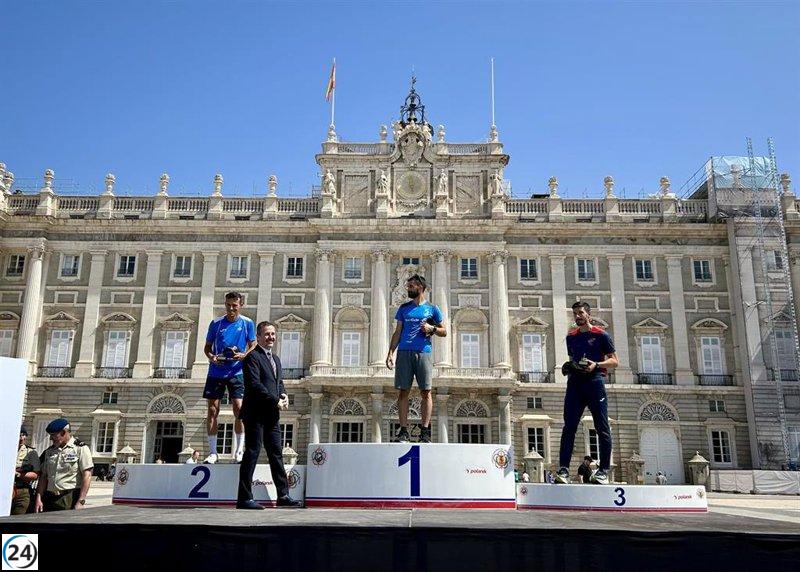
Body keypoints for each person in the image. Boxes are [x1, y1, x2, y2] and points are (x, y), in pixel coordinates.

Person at [236, 321, 300, 509]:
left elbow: (278, 382)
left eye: (273, 334)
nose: (271, 337)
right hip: (255, 413)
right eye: (267, 334)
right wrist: (274, 400)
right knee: (252, 453)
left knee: (276, 454)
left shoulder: (276, 359)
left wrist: (284, 394)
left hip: (271, 415)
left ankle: (283, 495)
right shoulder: (251, 357)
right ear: (258, 337)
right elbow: (255, 385)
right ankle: (244, 498)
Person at [554, 302, 618, 485]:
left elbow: (614, 361)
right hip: (575, 384)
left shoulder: (601, 335)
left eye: (580, 313)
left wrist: (596, 364)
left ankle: (603, 470)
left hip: (595, 382)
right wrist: (570, 367)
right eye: (575, 313)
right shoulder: (571, 337)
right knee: (569, 427)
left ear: (588, 315)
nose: (577, 316)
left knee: (602, 427)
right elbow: (574, 358)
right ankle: (564, 470)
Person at [386, 275, 446, 443]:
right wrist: (391, 352)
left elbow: (444, 331)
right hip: (404, 352)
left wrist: (431, 328)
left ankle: (425, 431)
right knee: (403, 391)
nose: (408, 288)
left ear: (420, 287)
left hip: (423, 352)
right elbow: (397, 332)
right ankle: (403, 430)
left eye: (411, 286)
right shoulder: (404, 308)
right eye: (408, 285)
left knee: (426, 391)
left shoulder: (432, 309)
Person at [203, 291, 257, 464]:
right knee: (212, 410)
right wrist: (212, 357)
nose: (231, 309)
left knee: (240, 409)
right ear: (225, 304)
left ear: (241, 304)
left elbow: (254, 344)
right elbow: (207, 347)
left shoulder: (247, 323)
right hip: (216, 371)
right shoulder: (216, 323)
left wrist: (244, 355)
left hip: (237, 371)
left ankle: (239, 450)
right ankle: (213, 452)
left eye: (234, 305)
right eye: (228, 305)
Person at [35, 418, 93, 512]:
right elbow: (43, 477)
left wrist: (81, 501)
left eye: (53, 435)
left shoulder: (80, 448)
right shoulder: (49, 451)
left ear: (63, 432)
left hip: (69, 497)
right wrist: (39, 498)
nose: (50, 439)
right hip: (49, 497)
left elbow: (87, 475)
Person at [11, 427, 40, 515]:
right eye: (19, 435)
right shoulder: (5, 450)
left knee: (17, 520)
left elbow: (35, 475)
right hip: (5, 489)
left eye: (23, 435)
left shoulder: (31, 452)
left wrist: (17, 474)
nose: (21, 438)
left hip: (21, 490)